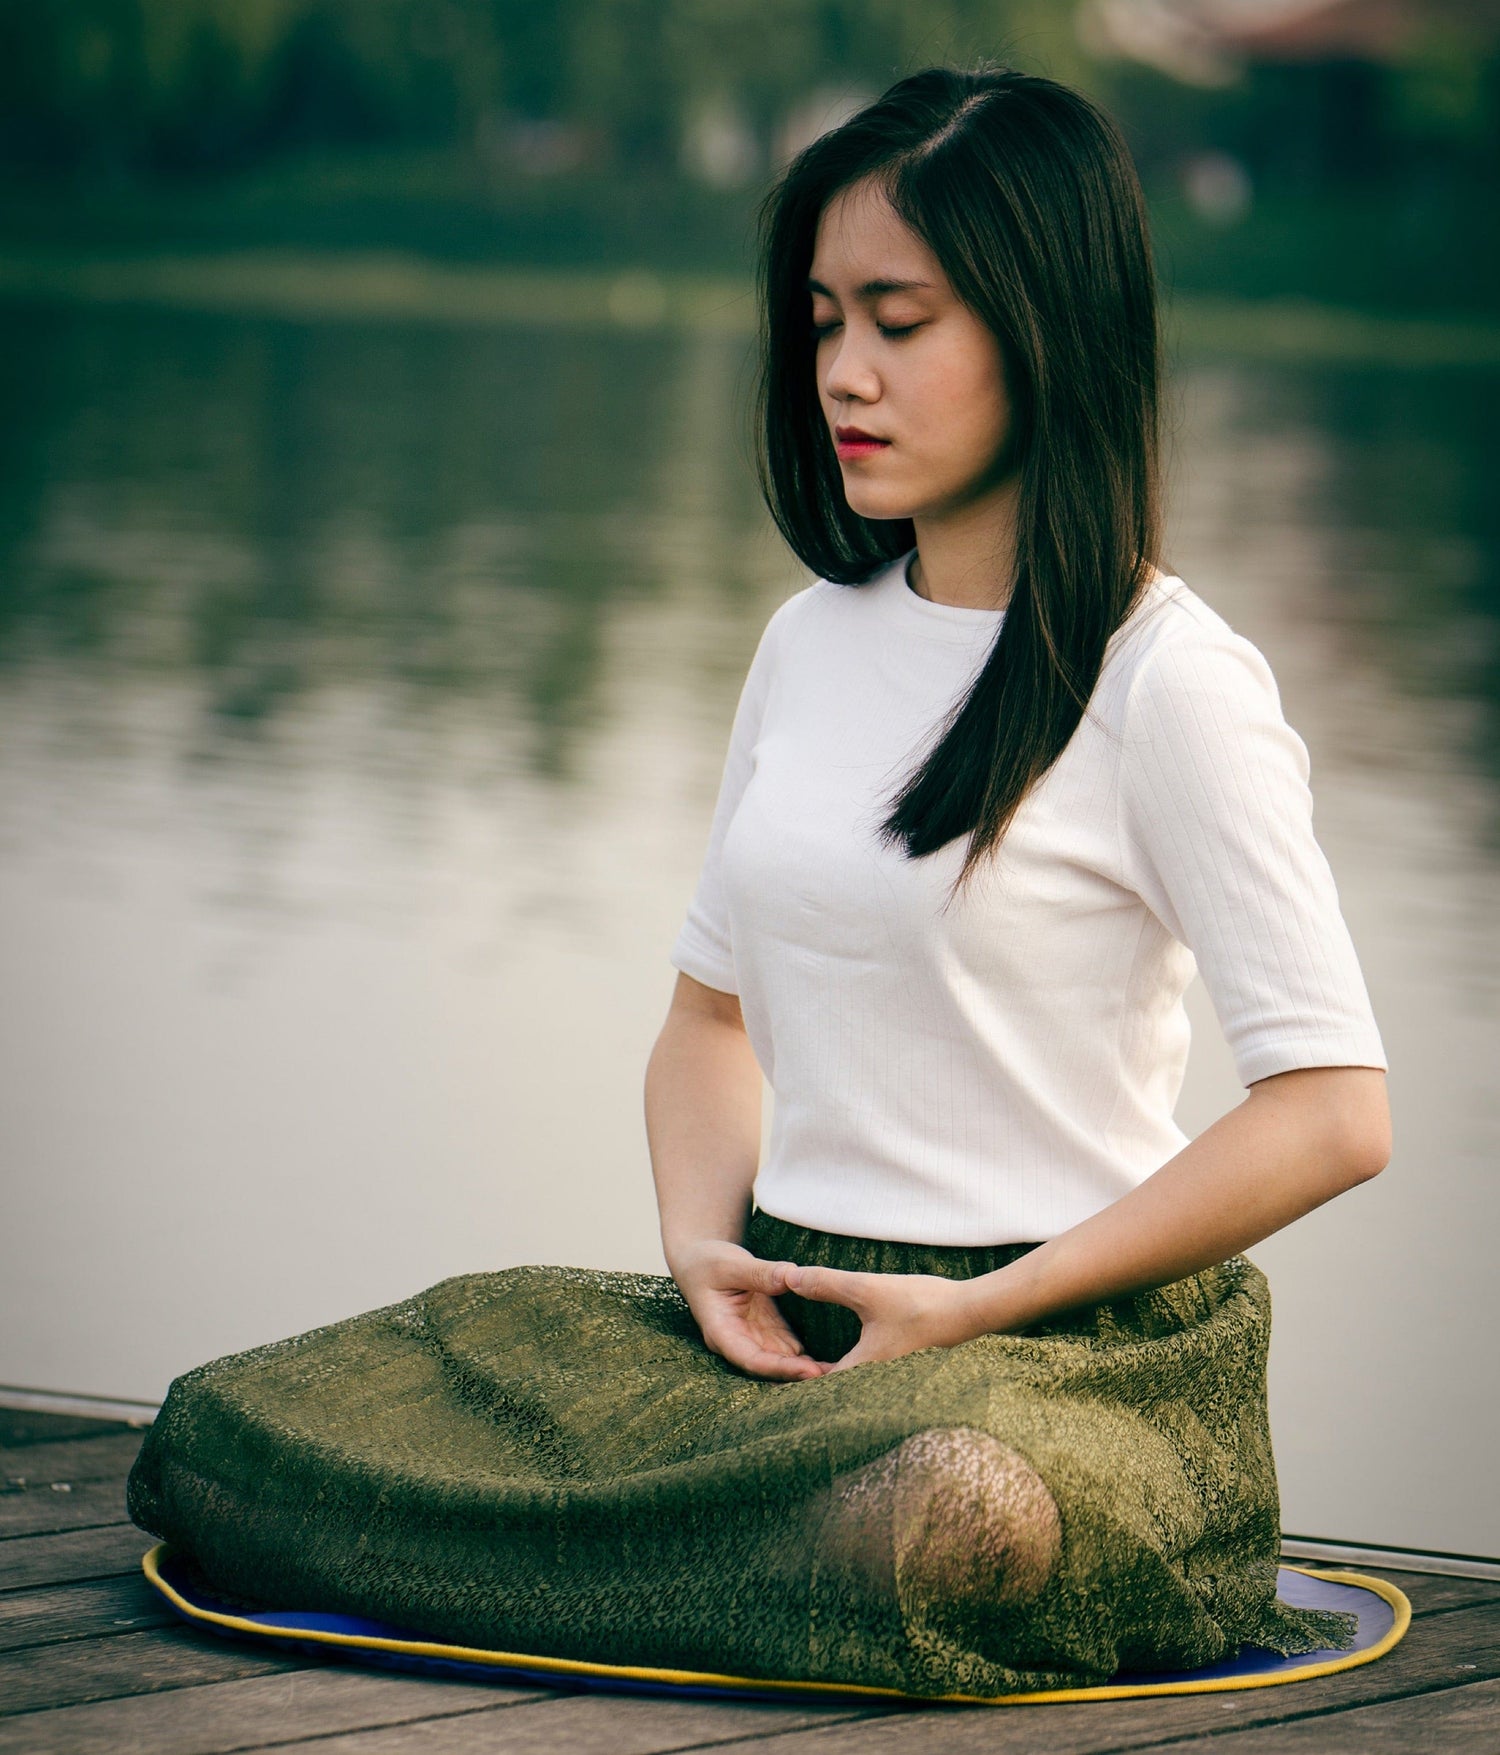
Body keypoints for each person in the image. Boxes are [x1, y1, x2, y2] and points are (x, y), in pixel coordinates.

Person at [127, 63, 1389, 1701]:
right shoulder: (811, 646)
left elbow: (1335, 1111)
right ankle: (701, 1548)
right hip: (786, 1335)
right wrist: (701, 1251)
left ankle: (676, 1552)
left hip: (1058, 1371)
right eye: (819, 321)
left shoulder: (1171, 684)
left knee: (938, 1514)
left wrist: (987, 1306)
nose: (843, 374)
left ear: (1044, 322)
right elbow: (707, 1024)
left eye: (899, 320)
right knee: (238, 1427)